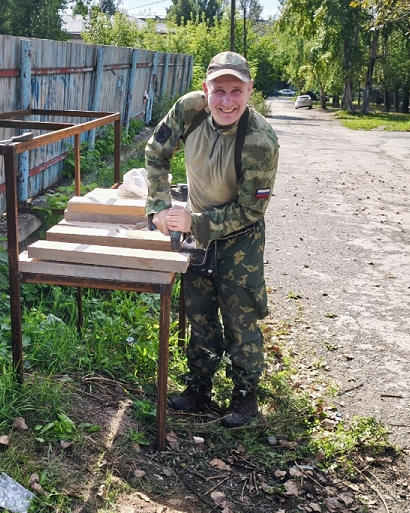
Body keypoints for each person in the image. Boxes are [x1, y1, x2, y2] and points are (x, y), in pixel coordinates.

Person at [144, 51, 279, 428]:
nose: (227, 100)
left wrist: (195, 221)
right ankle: (198, 388)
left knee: (241, 319)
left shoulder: (260, 142)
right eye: (219, 90)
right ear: (205, 90)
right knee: (199, 312)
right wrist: (157, 205)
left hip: (240, 241)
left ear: (250, 92)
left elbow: (251, 210)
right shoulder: (190, 111)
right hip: (197, 233)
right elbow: (156, 151)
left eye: (237, 91)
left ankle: (244, 397)